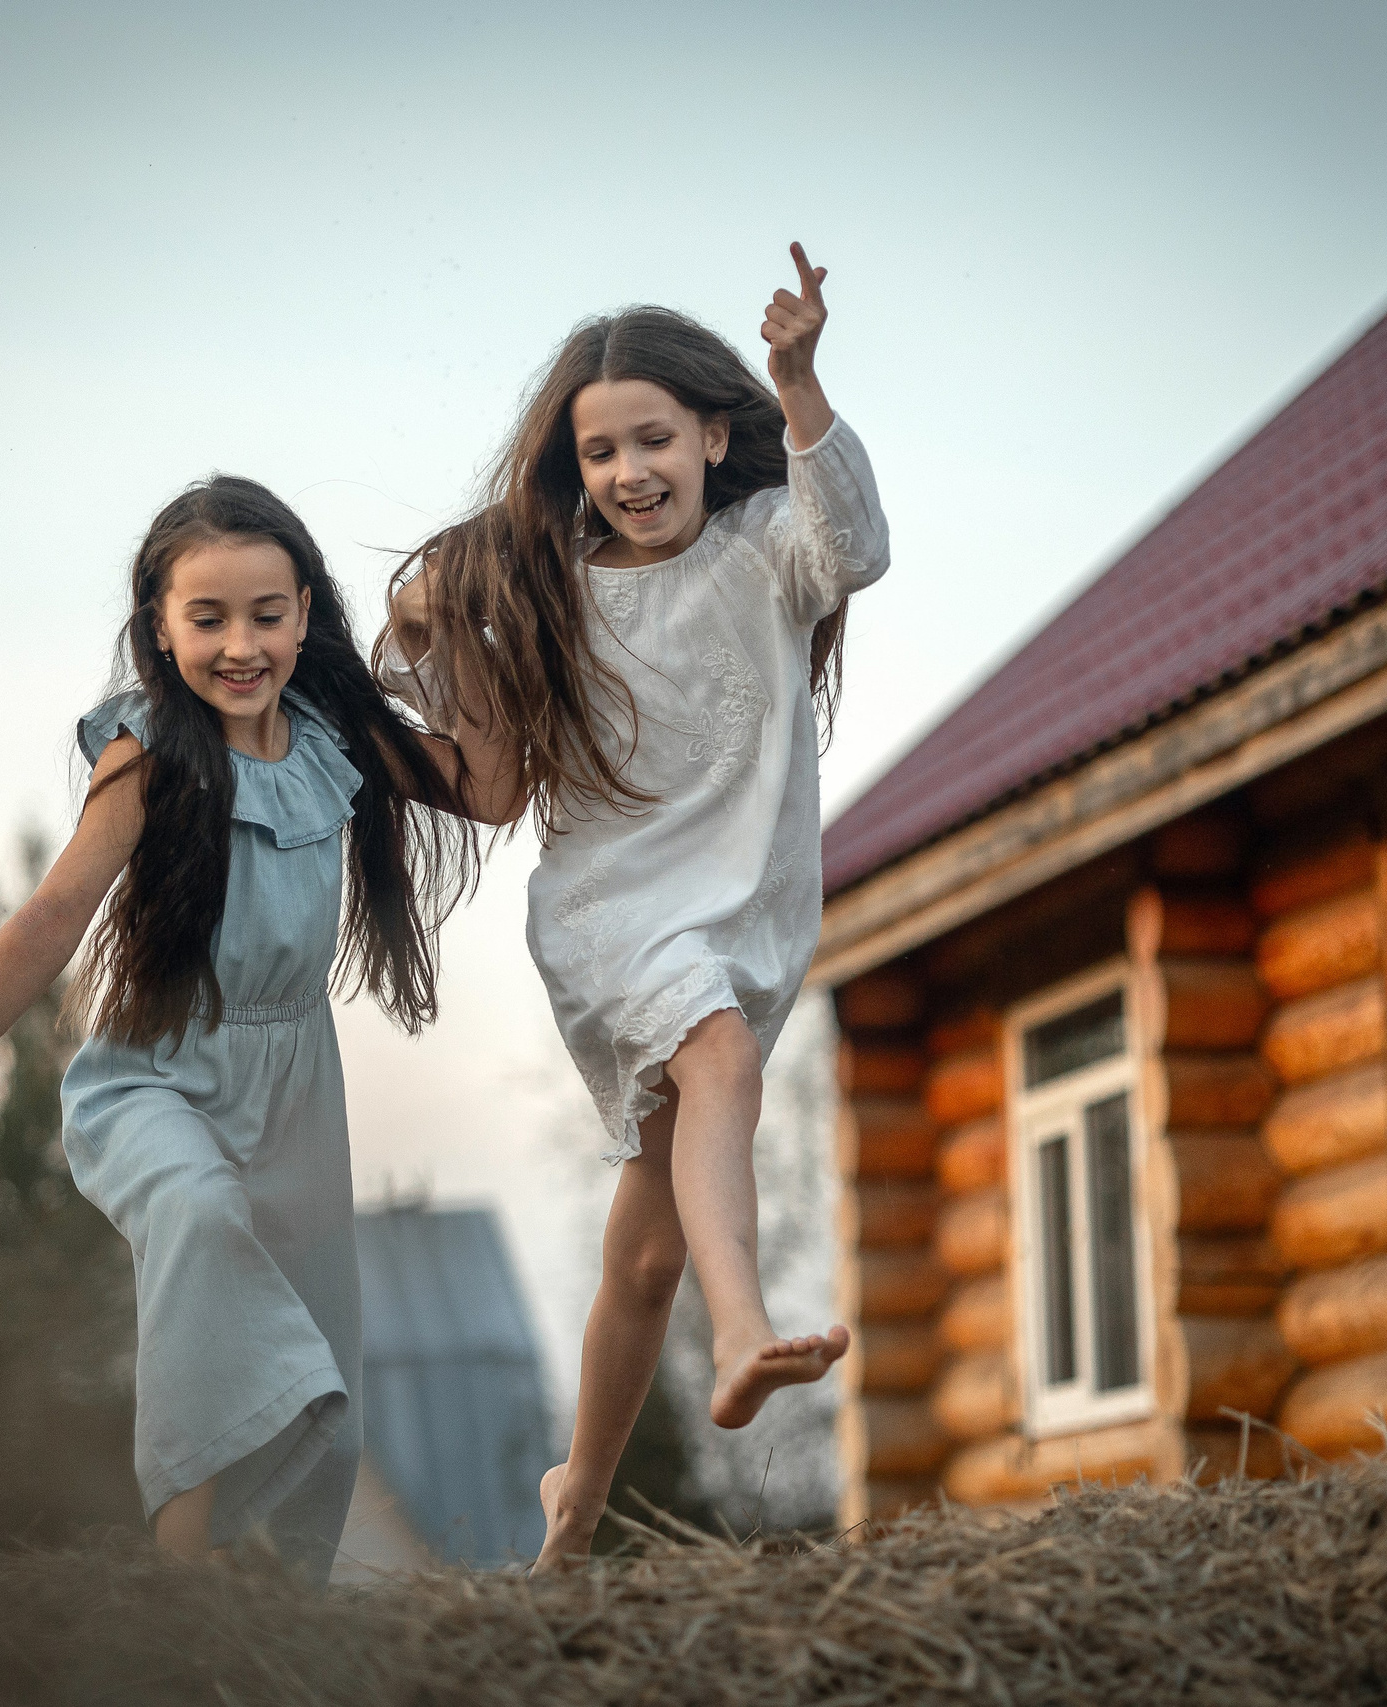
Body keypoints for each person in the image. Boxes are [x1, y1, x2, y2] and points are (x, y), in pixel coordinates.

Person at [0, 477, 480, 1579]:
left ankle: (272, 1607)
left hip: (295, 1095)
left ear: (307, 612)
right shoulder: (148, 753)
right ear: (159, 626)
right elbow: (48, 921)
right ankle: (176, 1581)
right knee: (196, 1207)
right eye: (208, 618)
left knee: (319, 1351)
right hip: (154, 1080)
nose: (241, 645)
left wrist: (432, 643)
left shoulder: (336, 738)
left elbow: (494, 786)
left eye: (267, 615)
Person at [380, 244, 888, 1570]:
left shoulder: (767, 550)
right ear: (574, 467)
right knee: (715, 1056)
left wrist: (802, 381)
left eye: (652, 437)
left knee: (643, 1251)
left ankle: (575, 1506)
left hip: (744, 920)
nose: (628, 471)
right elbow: (477, 756)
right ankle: (744, 1331)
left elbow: (862, 544)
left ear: (717, 434)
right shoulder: (553, 582)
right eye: (599, 451)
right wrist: (427, 622)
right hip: (615, 914)